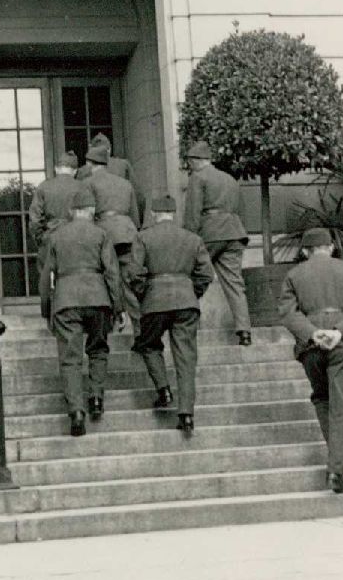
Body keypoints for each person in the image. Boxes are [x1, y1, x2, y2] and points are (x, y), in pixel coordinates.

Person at [279, 228, 343, 494]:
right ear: (331, 247)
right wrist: (340, 331)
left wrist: (312, 333)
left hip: (310, 346)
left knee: (322, 398)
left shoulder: (293, 275)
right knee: (341, 407)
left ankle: (335, 459)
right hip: (342, 343)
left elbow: (287, 312)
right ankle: (335, 470)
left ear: (305, 251)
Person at [128, 194, 214, 438]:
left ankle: (163, 389)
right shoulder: (193, 238)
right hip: (186, 302)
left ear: (153, 214)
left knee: (147, 344)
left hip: (154, 302)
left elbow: (134, 273)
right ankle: (186, 413)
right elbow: (206, 274)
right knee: (186, 358)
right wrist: (192, 291)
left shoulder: (143, 237)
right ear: (174, 213)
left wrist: (145, 293)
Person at [43, 183, 123, 436]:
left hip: (66, 300)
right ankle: (96, 398)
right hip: (98, 298)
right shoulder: (101, 234)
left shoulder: (56, 236)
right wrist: (118, 307)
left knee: (70, 359)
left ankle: (77, 411)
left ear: (71, 211)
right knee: (98, 350)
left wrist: (47, 309)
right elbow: (112, 273)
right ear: (91, 210)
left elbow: (46, 276)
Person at [182, 139, 253, 346]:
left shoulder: (197, 177)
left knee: (188, 276)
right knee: (234, 283)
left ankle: (186, 327)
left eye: (190, 162)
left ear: (196, 160)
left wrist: (188, 241)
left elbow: (193, 213)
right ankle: (244, 331)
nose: (189, 166)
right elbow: (241, 209)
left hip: (210, 233)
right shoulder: (229, 178)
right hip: (234, 232)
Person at [78, 141, 143, 335]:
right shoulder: (125, 183)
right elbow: (135, 213)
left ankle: (109, 327)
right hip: (127, 233)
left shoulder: (87, 183)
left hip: (103, 234)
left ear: (89, 163)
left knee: (103, 281)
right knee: (129, 284)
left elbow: (87, 213)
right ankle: (140, 332)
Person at [29, 148, 81, 318]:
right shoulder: (82, 186)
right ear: (75, 171)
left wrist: (41, 239)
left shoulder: (44, 187)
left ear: (57, 168)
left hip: (50, 236)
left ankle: (48, 314)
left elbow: (35, 219)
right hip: (76, 238)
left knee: (46, 278)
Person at [86, 132, 143, 222]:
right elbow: (138, 196)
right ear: (109, 149)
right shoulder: (123, 165)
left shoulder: (84, 170)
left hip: (97, 222)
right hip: (122, 220)